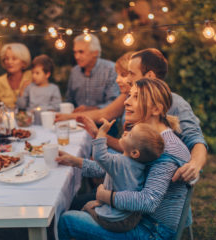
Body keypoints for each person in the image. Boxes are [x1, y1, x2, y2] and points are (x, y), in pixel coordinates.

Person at [57, 78, 191, 239]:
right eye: (129, 95)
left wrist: (106, 196)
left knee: (67, 221)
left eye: (135, 97)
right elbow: (119, 167)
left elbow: (148, 201)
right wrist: (75, 161)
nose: (126, 102)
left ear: (156, 109)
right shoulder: (148, 138)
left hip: (151, 230)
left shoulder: (165, 149)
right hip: (133, 217)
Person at [57, 48, 207, 182]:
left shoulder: (175, 104)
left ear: (149, 76)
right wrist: (97, 135)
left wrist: (194, 165)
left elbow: (196, 139)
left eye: (130, 73)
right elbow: (129, 152)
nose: (127, 79)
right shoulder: (134, 100)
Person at [82, 119, 164, 233]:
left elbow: (99, 156)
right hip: (130, 217)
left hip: (114, 220)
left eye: (130, 135)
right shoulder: (140, 166)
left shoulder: (119, 162)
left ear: (135, 153)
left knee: (86, 207)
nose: (125, 132)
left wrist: (101, 133)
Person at [66, 34, 119, 112]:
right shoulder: (75, 71)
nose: (77, 57)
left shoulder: (111, 69)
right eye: (75, 52)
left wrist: (89, 110)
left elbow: (114, 103)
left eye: (81, 52)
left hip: (105, 122)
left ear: (95, 53)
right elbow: (69, 101)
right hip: (77, 122)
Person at [0, 43, 32, 109]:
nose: (9, 62)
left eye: (14, 59)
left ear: (23, 62)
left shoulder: (32, 76)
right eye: (6, 58)